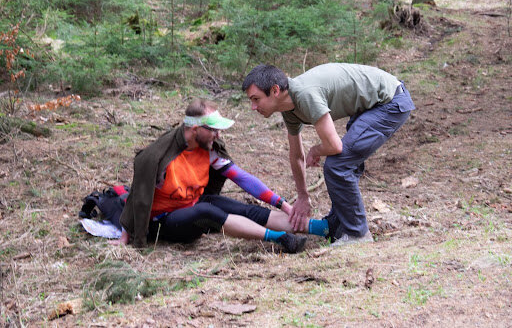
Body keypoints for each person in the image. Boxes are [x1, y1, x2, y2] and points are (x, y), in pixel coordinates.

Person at [116, 100, 329, 253]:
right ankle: (281, 239)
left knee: (243, 209)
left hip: (193, 205)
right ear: (195, 129)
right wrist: (126, 236)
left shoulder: (208, 150)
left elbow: (242, 178)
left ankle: (323, 228)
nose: (219, 135)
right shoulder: (157, 158)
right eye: (214, 130)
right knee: (208, 211)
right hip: (163, 222)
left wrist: (284, 205)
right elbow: (137, 197)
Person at [242, 63, 415, 245]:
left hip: (390, 102)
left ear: (275, 90)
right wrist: (302, 196)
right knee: (342, 161)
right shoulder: (289, 108)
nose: (253, 107)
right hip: (370, 107)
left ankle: (357, 234)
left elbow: (334, 146)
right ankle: (338, 225)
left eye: (256, 99)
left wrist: (315, 150)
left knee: (338, 164)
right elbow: (296, 156)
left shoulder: (305, 95)